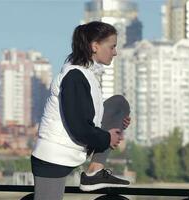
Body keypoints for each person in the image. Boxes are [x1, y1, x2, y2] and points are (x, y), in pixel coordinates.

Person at [31, 21, 131, 200]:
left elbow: (89, 118)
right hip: (53, 157)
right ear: (95, 46)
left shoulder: (87, 75)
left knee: (118, 105)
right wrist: (108, 137)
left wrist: (116, 121)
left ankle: (94, 173)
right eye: (112, 46)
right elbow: (79, 126)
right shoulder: (74, 76)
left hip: (74, 148)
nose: (115, 52)